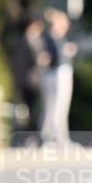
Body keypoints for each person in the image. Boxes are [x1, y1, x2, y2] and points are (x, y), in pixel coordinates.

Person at [39, 8, 77, 145]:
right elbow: (50, 57)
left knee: (57, 107)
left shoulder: (58, 38)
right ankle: (54, 137)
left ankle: (57, 136)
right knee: (56, 106)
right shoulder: (52, 37)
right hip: (58, 73)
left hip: (58, 73)